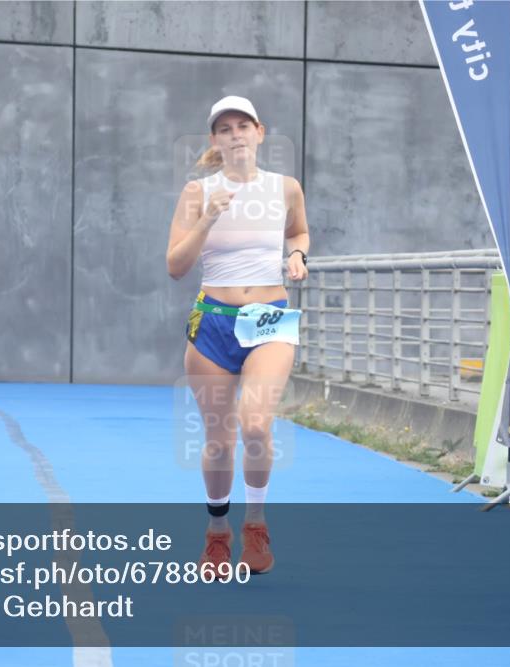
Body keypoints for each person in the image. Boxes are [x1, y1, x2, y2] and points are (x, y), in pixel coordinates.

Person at [166, 95, 310, 574]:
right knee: (219, 441)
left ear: (259, 132)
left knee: (255, 425)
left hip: (268, 317)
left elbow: (298, 233)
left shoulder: (285, 187)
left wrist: (297, 255)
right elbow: (175, 266)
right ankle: (217, 533)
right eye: (224, 129)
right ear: (215, 139)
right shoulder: (197, 193)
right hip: (212, 321)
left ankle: (256, 524)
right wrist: (208, 217)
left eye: (243, 126)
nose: (235, 135)